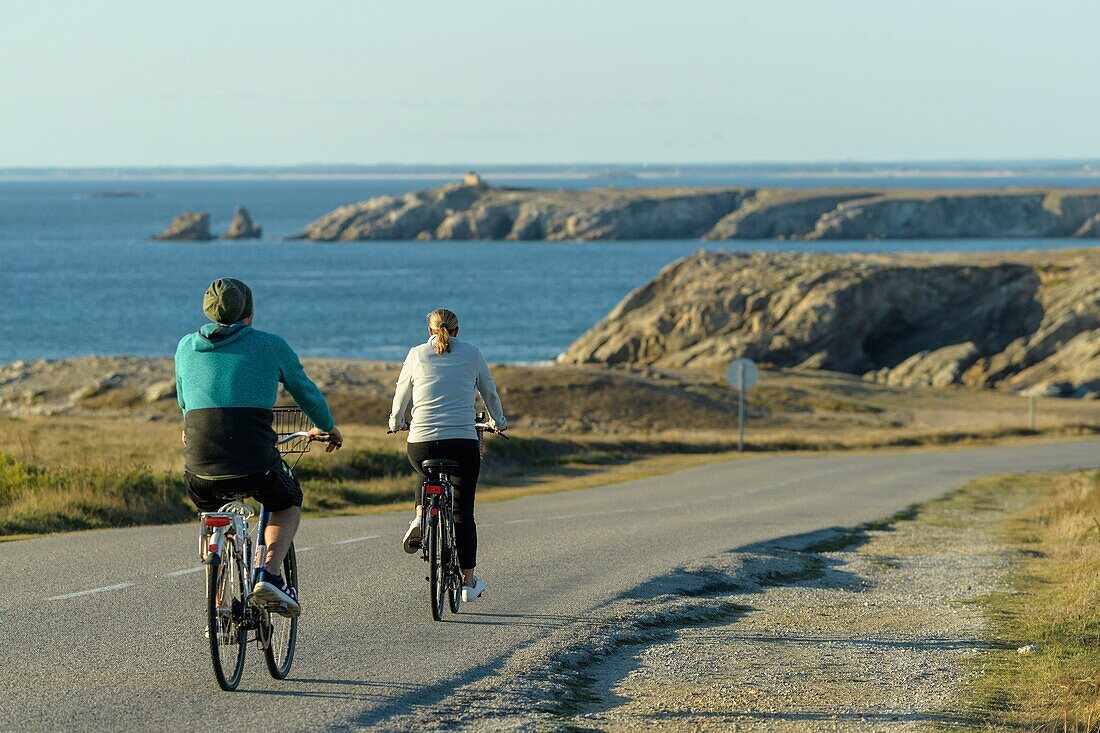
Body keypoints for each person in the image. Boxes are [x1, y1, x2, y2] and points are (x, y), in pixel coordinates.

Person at [175, 278, 343, 617]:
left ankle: (220, 596)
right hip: (255, 463)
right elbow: (305, 391)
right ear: (249, 312)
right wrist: (327, 427)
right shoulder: (270, 345)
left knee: (214, 507)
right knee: (287, 500)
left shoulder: (185, 347)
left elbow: (184, 401)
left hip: (199, 466)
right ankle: (269, 574)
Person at [388, 308, 506, 602]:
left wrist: (396, 422)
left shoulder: (416, 354)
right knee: (463, 512)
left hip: (421, 444)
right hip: (462, 443)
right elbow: (489, 392)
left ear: (429, 332)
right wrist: (498, 422)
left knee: (424, 472)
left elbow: (402, 392)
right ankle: (468, 582)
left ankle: (419, 517)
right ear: (457, 331)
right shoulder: (473, 353)